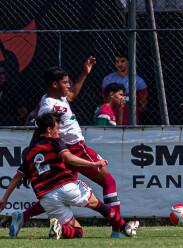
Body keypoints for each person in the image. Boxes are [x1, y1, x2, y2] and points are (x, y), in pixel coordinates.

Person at [9, 57, 139, 238]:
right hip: (75, 149)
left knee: (57, 192)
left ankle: (22, 216)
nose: (68, 85)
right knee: (109, 182)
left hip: (65, 150)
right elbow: (40, 131)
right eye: (65, 83)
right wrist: (29, 158)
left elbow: (72, 95)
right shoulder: (49, 107)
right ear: (55, 84)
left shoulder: (52, 97)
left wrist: (85, 72)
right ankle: (118, 231)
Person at [0, 113, 135, 239]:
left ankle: (60, 229)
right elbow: (69, 158)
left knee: (78, 232)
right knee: (98, 204)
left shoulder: (29, 153)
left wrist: (4, 199)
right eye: (57, 128)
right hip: (66, 187)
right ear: (48, 129)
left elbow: (17, 177)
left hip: (47, 198)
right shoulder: (55, 142)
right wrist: (94, 164)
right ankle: (124, 227)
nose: (59, 132)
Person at [102, 46, 148, 125]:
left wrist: (131, 111)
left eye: (122, 61)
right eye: (117, 61)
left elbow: (143, 106)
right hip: (112, 123)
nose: (119, 64)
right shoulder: (107, 80)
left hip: (132, 123)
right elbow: (105, 102)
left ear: (129, 61)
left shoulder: (139, 81)